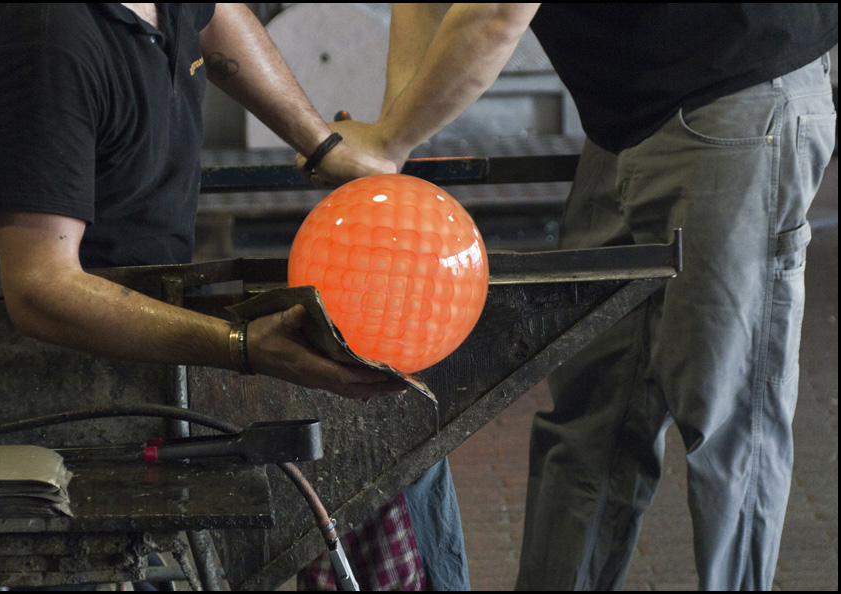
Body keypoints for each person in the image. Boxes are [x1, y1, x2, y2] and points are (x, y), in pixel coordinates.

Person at [321, 3, 838, 590]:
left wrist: (391, 138)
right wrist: (391, 140)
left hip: (735, 82)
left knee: (726, 416)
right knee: (591, 416)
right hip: (622, 119)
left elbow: (496, 12)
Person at [0, 3, 406, 398]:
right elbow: (40, 289)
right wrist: (239, 345)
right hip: (40, 373)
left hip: (152, 315)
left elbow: (214, 15)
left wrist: (322, 145)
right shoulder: (42, 42)